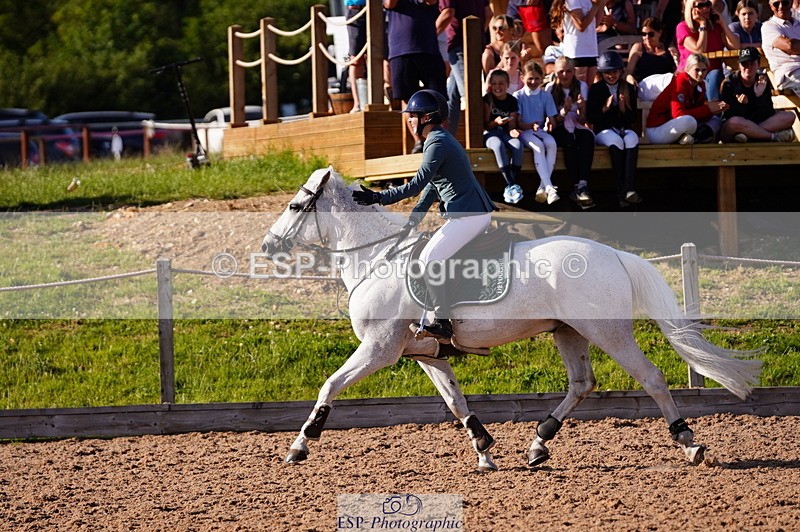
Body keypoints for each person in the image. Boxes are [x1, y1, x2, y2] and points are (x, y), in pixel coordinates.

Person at [352, 89, 495, 341]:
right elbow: (431, 188)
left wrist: (378, 198)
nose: (409, 120)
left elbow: (416, 184)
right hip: (469, 212)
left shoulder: (437, 142)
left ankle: (443, 322)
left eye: (413, 116)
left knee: (430, 258)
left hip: (470, 215)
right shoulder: (439, 139)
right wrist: (413, 221)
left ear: (427, 117)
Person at [385, 0, 447, 153]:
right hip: (401, 51)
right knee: (408, 100)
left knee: (437, 98)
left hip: (429, 51)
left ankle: (439, 140)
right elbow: (389, 3)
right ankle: (418, 141)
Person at [587, 51, 642, 207]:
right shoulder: (597, 89)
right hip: (603, 129)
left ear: (620, 71)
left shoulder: (628, 88)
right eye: (607, 72)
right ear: (602, 73)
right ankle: (620, 190)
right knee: (616, 141)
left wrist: (624, 108)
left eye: (615, 71)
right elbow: (592, 118)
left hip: (623, 127)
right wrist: (605, 108)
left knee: (632, 139)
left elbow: (632, 119)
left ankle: (629, 189)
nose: (611, 75)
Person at [546, 56, 597, 209]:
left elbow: (583, 120)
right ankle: (577, 186)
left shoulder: (581, 86)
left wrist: (581, 110)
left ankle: (583, 184)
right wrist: (565, 111)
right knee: (569, 142)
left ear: (573, 71)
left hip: (576, 123)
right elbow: (553, 120)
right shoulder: (550, 89)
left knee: (587, 138)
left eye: (568, 71)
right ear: (555, 72)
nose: (565, 75)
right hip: (559, 124)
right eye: (561, 72)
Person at [645, 52, 730, 143]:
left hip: (677, 126)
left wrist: (713, 110)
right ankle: (692, 138)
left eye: (704, 70)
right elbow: (678, 114)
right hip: (658, 128)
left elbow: (698, 114)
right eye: (697, 70)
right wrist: (707, 109)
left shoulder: (701, 85)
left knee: (716, 120)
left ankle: (695, 138)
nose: (701, 73)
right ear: (688, 69)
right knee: (690, 121)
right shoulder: (680, 81)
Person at [438, 0, 492, 135]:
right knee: (452, 94)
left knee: (469, 95)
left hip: (458, 44)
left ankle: (479, 137)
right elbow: (489, 13)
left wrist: (428, 37)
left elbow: (447, 13)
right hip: (475, 42)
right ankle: (448, 137)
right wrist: (479, 35)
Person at [720, 47, 796, 141]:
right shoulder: (729, 83)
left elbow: (767, 114)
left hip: (757, 123)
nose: (748, 67)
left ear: (758, 65)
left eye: (752, 64)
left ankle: (750, 135)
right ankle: (773, 137)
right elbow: (727, 115)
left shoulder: (762, 82)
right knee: (734, 122)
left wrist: (759, 96)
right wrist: (742, 105)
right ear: (739, 65)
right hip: (736, 127)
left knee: (789, 116)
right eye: (744, 64)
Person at [514, 61, 561, 204]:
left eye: (536, 78)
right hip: (525, 131)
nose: (533, 82)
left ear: (542, 78)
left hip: (540, 130)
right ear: (522, 78)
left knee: (551, 144)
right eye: (530, 78)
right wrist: (530, 126)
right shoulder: (518, 96)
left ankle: (543, 188)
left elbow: (552, 118)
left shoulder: (545, 95)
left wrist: (551, 124)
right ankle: (550, 187)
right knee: (538, 146)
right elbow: (519, 122)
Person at [676, 0, 740, 100]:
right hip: (691, 77)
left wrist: (723, 23)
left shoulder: (715, 27)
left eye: (707, 4)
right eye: (700, 5)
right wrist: (702, 25)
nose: (706, 8)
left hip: (712, 77)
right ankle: (715, 110)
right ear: (691, 9)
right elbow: (700, 50)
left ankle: (715, 112)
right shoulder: (682, 27)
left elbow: (736, 46)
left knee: (715, 75)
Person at [484, 69, 526, 203]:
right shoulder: (487, 100)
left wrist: (513, 131)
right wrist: (496, 122)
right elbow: (485, 125)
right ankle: (512, 184)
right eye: (494, 83)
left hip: (505, 133)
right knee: (497, 144)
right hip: (491, 133)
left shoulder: (512, 100)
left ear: (507, 84)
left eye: (501, 83)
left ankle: (510, 184)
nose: (498, 87)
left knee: (518, 145)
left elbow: (511, 126)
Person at [551, 0, 607, 84]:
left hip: (591, 50)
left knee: (589, 90)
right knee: (579, 90)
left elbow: (594, 23)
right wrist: (595, 5)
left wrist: (601, 3)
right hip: (576, 52)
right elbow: (581, 26)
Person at [761, 0, 800, 97]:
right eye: (776, 4)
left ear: (791, 3)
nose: (781, 6)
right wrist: (791, 44)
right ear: (771, 6)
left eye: (785, 2)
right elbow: (790, 46)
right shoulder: (769, 26)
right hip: (788, 74)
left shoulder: (798, 24)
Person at [625, 17, 678, 86]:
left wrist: (676, 57)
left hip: (665, 86)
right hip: (645, 86)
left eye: (651, 34)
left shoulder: (668, 48)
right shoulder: (639, 47)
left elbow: (678, 68)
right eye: (644, 34)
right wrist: (630, 78)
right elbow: (629, 71)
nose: (647, 37)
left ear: (660, 33)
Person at [345, 0, 368, 113]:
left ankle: (381, 100)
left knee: (378, 55)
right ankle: (358, 103)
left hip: (377, 8)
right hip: (355, 9)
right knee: (356, 59)